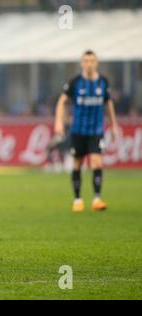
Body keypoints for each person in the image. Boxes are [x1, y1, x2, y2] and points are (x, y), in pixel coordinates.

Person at [54, 50, 118, 212]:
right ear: (82, 63)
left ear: (96, 63)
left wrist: (114, 124)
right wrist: (59, 122)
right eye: (86, 60)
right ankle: (77, 199)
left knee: (97, 161)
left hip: (96, 130)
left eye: (92, 60)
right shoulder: (75, 82)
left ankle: (97, 198)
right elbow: (62, 102)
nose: (89, 63)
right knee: (77, 163)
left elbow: (108, 104)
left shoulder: (103, 82)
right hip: (78, 131)